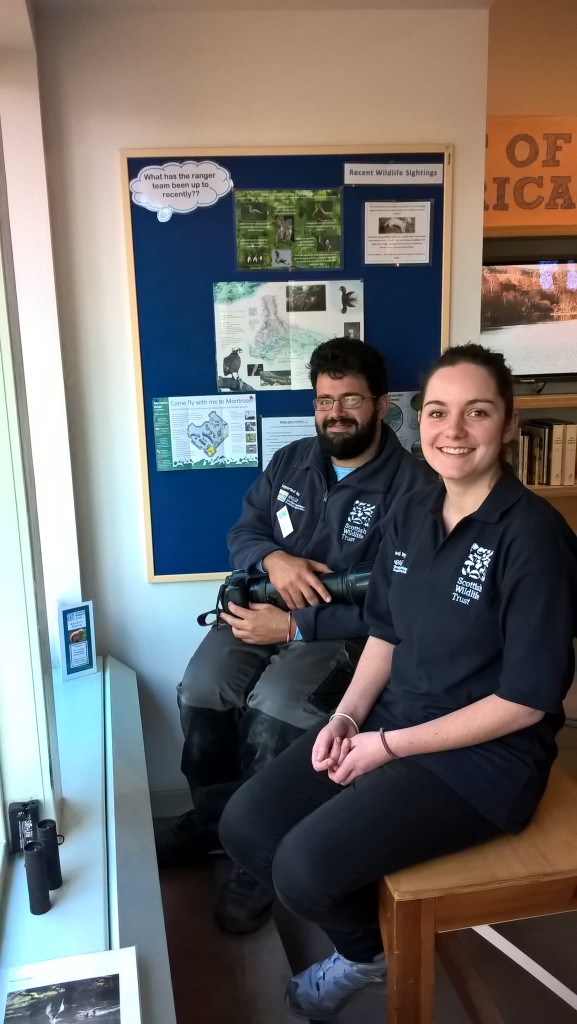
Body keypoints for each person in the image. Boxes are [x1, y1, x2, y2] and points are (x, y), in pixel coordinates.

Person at [219, 342, 577, 1019]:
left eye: (477, 413)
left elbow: (526, 702)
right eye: (438, 412)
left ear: (506, 424)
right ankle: (371, 944)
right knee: (248, 824)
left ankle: (362, 957)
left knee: (303, 869)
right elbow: (384, 632)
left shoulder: (533, 536)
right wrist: (348, 719)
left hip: (483, 762)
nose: (454, 430)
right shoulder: (412, 511)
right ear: (419, 421)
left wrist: (386, 748)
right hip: (391, 719)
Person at [156, 336, 435, 936]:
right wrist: (275, 560)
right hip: (260, 607)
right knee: (202, 686)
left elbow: (399, 603)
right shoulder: (292, 460)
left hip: (343, 634)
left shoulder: (417, 488)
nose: (335, 412)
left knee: (275, 707)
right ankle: (212, 822)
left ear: (382, 404)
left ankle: (258, 855)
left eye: (351, 399)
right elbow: (243, 531)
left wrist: (295, 624)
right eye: (324, 399)